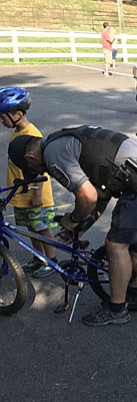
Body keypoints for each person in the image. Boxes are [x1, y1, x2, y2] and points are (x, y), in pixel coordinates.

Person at [8, 125, 137, 326]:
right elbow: (100, 196)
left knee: (115, 245)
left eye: (31, 170)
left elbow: (88, 196)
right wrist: (79, 228)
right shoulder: (64, 140)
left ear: (30, 159)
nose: (37, 172)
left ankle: (117, 309)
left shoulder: (53, 154)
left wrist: (73, 219)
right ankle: (134, 292)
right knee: (131, 240)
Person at [0, 87, 58, 278]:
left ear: (17, 114)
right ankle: (39, 257)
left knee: (42, 228)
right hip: (22, 192)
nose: (1, 120)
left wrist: (37, 194)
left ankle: (51, 260)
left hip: (35, 193)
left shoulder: (32, 134)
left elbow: (39, 168)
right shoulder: (18, 131)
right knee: (32, 228)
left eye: (3, 116)